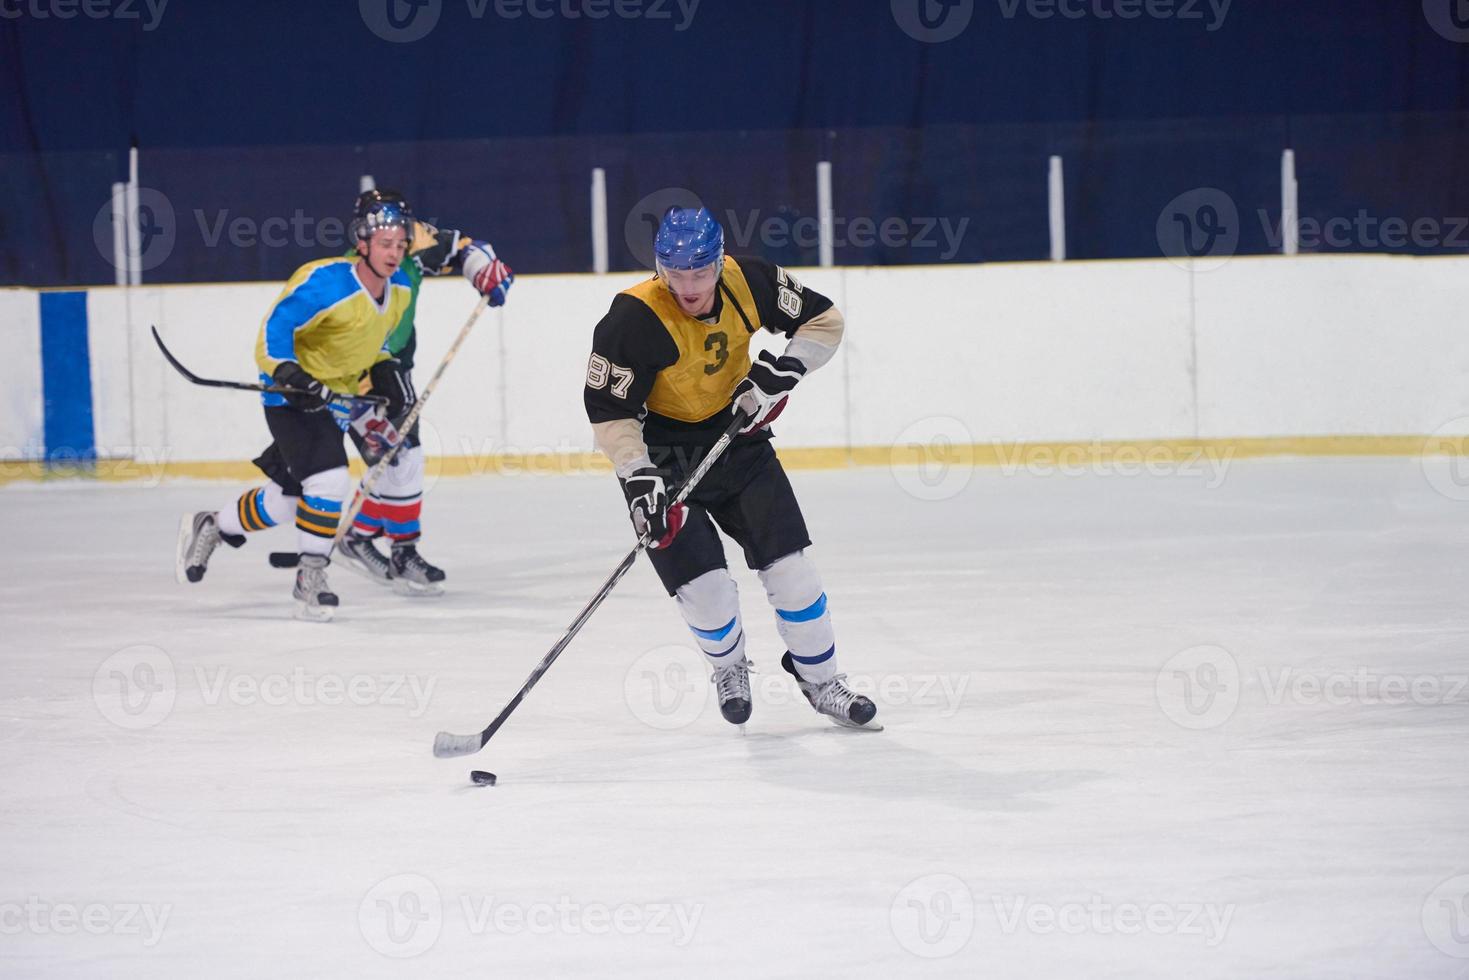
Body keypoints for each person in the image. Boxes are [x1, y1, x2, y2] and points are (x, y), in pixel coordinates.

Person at [583, 206, 877, 729]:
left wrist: (782, 374)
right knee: (705, 587)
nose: (689, 286)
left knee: (793, 573)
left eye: (700, 272)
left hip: (738, 440)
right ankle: (729, 667)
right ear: (659, 268)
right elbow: (610, 410)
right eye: (676, 273)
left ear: (718, 263)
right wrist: (637, 475)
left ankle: (823, 680)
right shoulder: (632, 318)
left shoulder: (750, 280)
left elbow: (824, 320)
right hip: (664, 458)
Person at [174, 197, 417, 620]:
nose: (394, 252)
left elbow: (370, 343)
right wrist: (293, 375)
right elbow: (273, 334)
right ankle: (311, 577)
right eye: (384, 243)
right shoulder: (325, 281)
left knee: (292, 500)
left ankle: (215, 525)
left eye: (400, 244)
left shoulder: (398, 293)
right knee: (329, 482)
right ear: (362, 243)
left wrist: (387, 372)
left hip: (335, 403)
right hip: (291, 397)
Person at [332, 189, 514, 594]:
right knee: (402, 457)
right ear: (362, 237)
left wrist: (483, 270)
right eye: (383, 233)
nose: (396, 241)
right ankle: (392, 546)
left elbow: (464, 247)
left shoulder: (412, 241)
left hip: (393, 367)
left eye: (400, 230)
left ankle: (364, 537)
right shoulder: (349, 273)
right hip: (354, 372)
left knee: (401, 459)